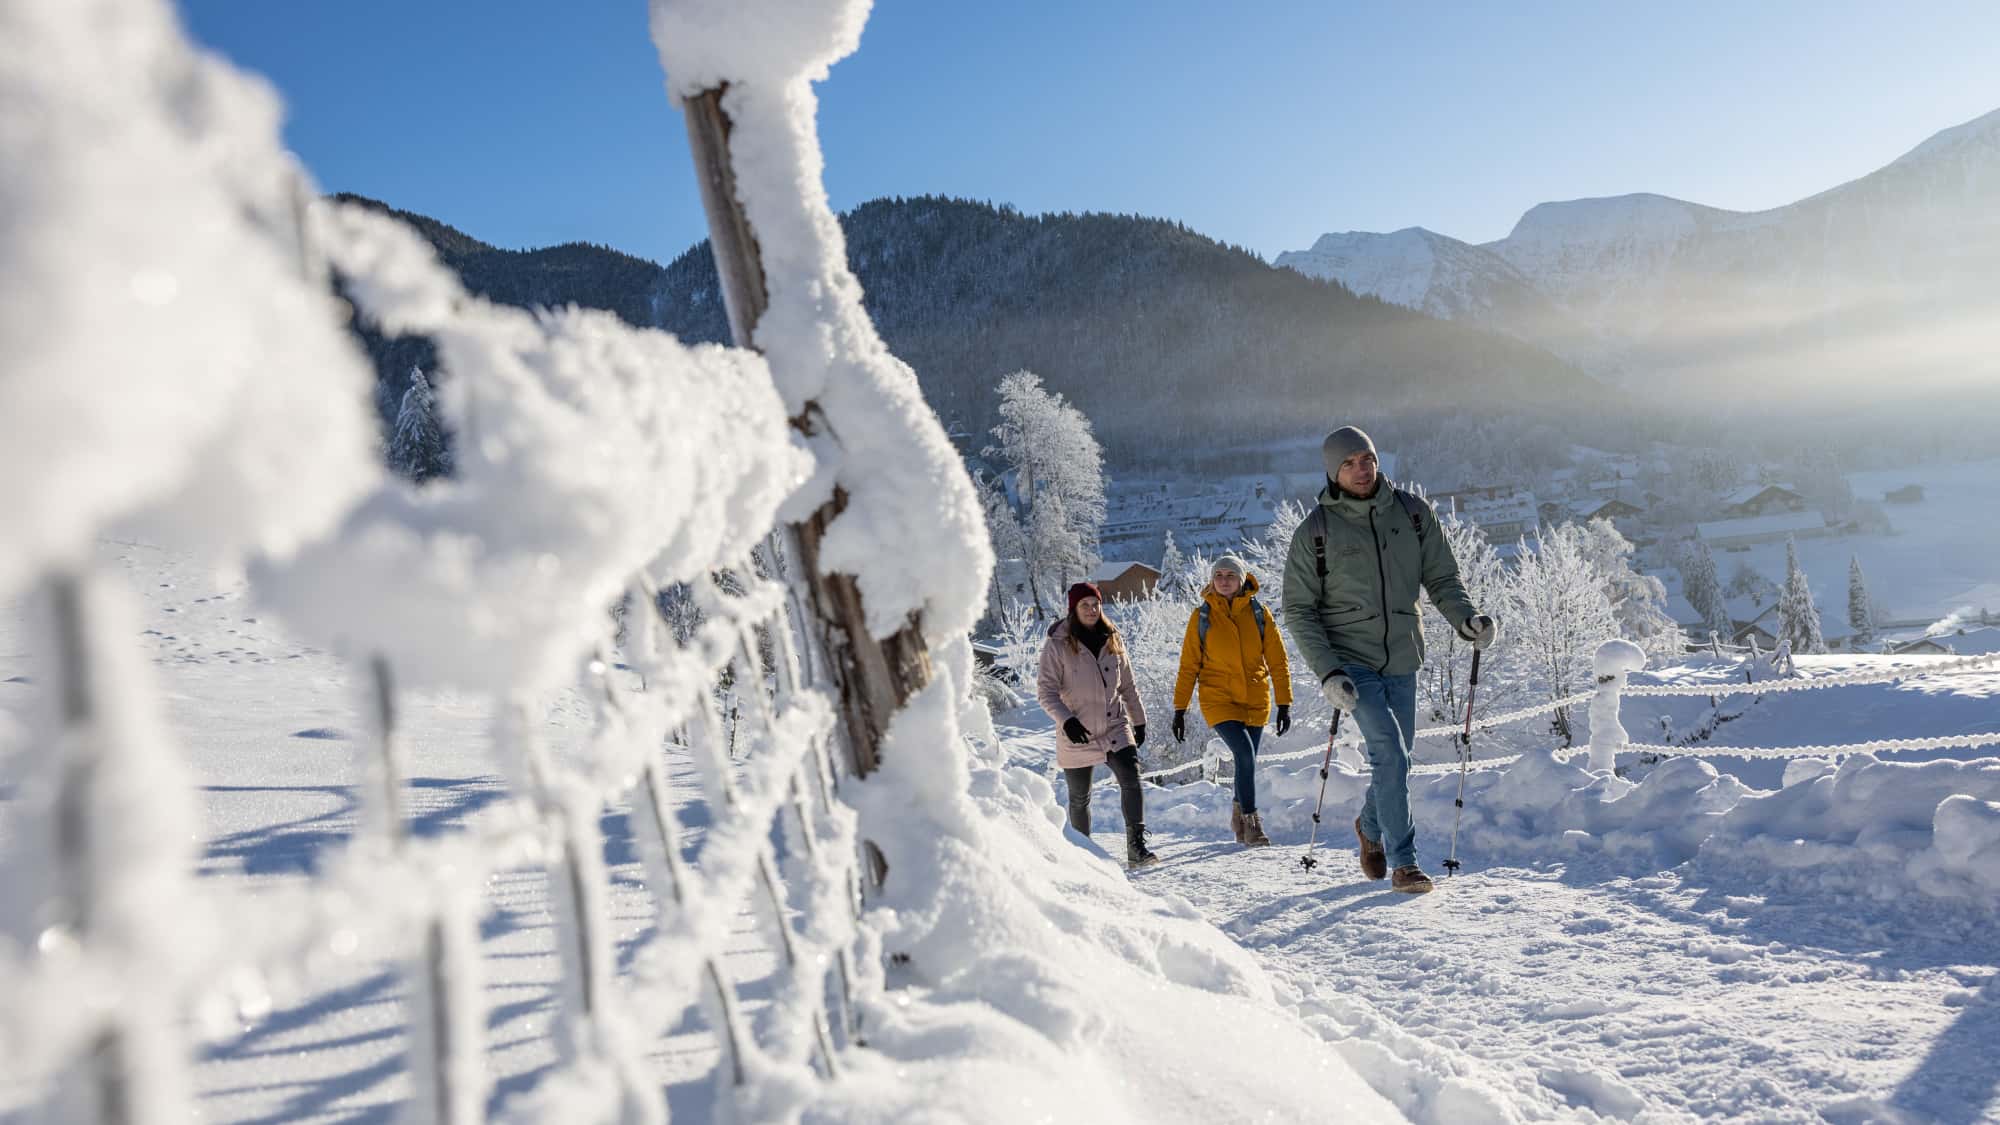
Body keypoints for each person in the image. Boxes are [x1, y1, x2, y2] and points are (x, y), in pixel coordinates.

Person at [1281, 426, 1498, 894]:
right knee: (1391, 753)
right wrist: (1328, 672)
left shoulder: (1413, 515)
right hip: (1350, 663)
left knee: (1401, 758)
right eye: (1350, 463)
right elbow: (1298, 609)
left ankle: (1368, 825)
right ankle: (1405, 863)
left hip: (1402, 655)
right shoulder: (1315, 531)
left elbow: (1442, 578)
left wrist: (1466, 620)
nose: (1362, 469)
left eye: (1368, 459)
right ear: (1333, 472)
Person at [1171, 555, 1292, 847]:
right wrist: (1180, 709)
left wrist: (1284, 703)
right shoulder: (1201, 617)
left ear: (1241, 580)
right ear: (1212, 580)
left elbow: (1278, 661)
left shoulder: (1260, 614)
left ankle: (1238, 819)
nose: (1224, 580)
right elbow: (1189, 665)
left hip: (1255, 697)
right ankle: (1251, 821)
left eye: (1231, 575)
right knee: (1245, 753)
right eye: (1219, 575)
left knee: (1244, 760)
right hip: (1218, 697)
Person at [1037, 581, 1157, 868]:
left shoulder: (1112, 637)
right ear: (1073, 609)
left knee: (1131, 776)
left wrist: (1138, 721)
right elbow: (1046, 692)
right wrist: (1067, 721)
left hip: (1114, 725)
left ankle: (1136, 848)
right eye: (1084, 605)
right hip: (1077, 731)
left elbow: (1127, 685)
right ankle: (1085, 857)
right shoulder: (1057, 644)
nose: (1091, 610)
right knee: (1079, 798)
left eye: (1095, 604)